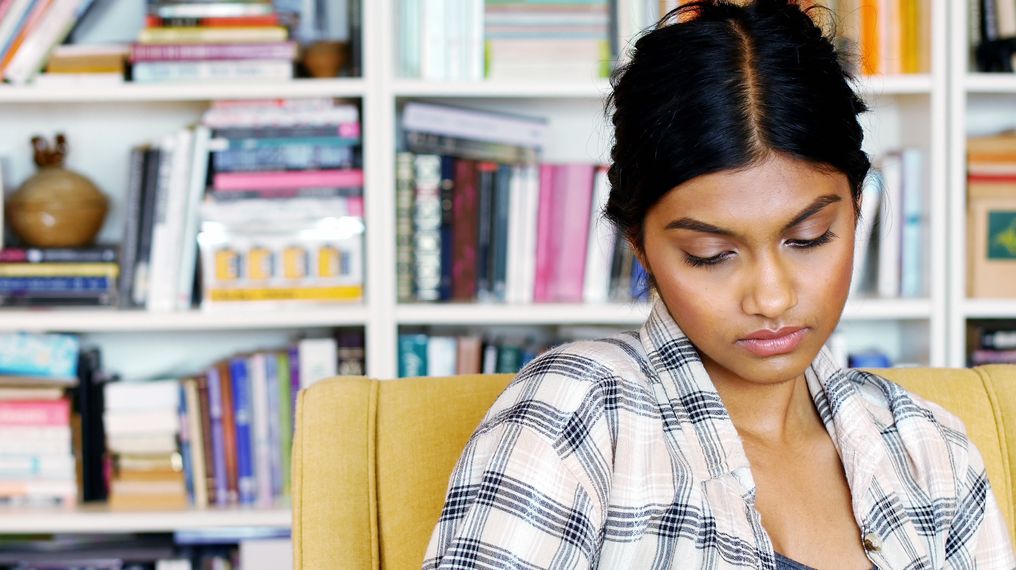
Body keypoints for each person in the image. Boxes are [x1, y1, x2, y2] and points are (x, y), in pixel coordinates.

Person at [421, 1, 1016, 569]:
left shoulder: (930, 451)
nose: (772, 298)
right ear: (640, 246)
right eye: (710, 255)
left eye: (808, 238)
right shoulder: (575, 415)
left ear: (858, 210)